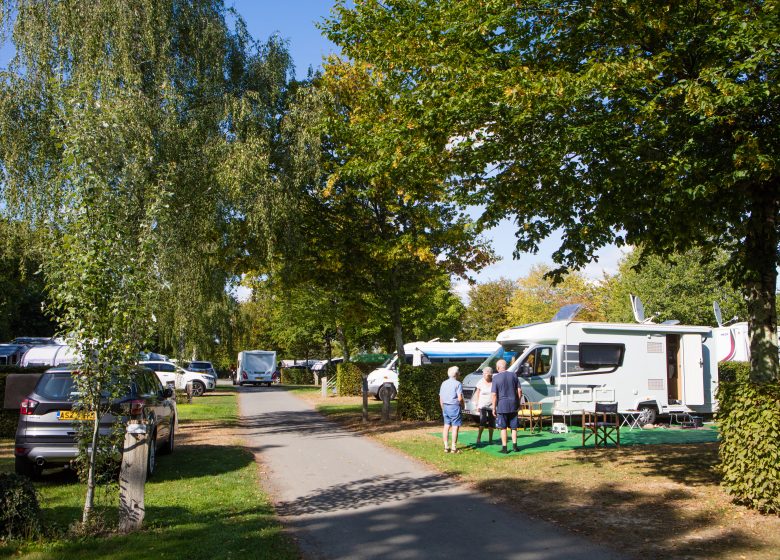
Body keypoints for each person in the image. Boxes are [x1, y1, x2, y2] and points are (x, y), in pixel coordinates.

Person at [491, 358, 523, 454]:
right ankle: (515, 446)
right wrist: (518, 402)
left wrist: (493, 407)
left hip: (502, 405)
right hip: (513, 404)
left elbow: (494, 394)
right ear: (506, 366)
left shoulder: (495, 378)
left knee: (503, 427)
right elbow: (519, 391)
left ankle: (504, 448)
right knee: (514, 427)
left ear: (498, 368)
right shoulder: (514, 375)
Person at [439, 365, 464, 453]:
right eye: (459, 372)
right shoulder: (458, 384)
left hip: (445, 406)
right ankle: (454, 447)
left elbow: (441, 398)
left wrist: (442, 407)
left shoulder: (444, 383)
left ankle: (446, 447)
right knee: (455, 427)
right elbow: (460, 398)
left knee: (446, 426)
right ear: (456, 374)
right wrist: (463, 405)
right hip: (454, 406)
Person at [473, 367, 494, 445]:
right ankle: (479, 438)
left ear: (490, 374)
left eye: (486, 374)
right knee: (483, 421)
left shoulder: (494, 382)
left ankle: (490, 439)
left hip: (492, 405)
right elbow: (477, 393)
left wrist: (496, 405)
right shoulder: (480, 382)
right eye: (484, 374)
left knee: (491, 422)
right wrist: (477, 405)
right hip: (482, 405)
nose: (484, 375)